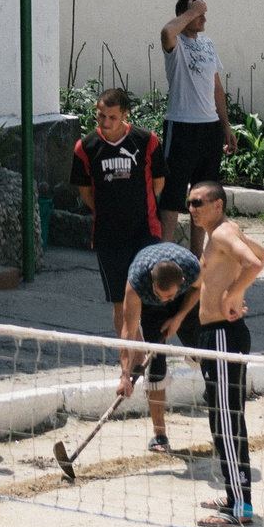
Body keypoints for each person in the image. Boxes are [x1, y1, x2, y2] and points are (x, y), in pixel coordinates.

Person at [186, 181, 264, 527]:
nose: (192, 209)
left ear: (217, 204)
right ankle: (235, 496)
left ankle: (240, 508)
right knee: (222, 419)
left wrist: (232, 294)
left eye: (198, 202)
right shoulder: (220, 232)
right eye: (189, 203)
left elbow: (253, 263)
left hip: (222, 336)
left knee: (227, 421)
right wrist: (233, 293)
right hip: (216, 335)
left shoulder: (221, 234)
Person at [75, 86, 167, 350]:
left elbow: (158, 184)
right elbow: (85, 193)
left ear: (126, 115)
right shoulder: (85, 148)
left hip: (144, 231)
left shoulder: (147, 141)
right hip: (107, 236)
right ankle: (135, 358)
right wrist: (108, 211)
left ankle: (157, 354)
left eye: (112, 117)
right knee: (120, 302)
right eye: (100, 116)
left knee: (149, 297)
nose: (105, 123)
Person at [159, 0, 236, 248]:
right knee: (173, 195)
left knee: (203, 194)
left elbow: (216, 88)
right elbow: (167, 31)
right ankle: (164, 254)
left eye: (203, 13)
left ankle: (196, 256)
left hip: (209, 128)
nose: (203, 18)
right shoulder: (176, 44)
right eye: (198, 14)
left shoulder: (208, 44)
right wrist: (191, 12)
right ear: (186, 15)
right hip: (181, 126)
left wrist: (225, 126)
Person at [116, 240, 199, 456]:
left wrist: (178, 318)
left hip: (184, 302)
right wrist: (125, 374)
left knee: (202, 349)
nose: (164, 300)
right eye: (160, 295)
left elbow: (201, 289)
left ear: (181, 281)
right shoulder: (137, 283)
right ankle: (159, 434)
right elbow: (128, 332)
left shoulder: (191, 268)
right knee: (155, 367)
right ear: (152, 283)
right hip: (151, 310)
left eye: (168, 296)